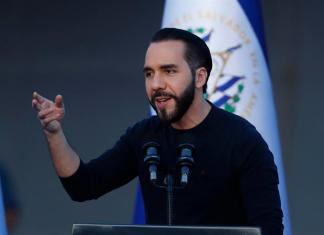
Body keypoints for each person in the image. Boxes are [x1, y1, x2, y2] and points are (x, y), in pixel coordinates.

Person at [32, 28, 283, 235]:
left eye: (169, 71)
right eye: (149, 74)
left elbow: (268, 229)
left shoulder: (243, 140)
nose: (156, 84)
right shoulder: (144, 136)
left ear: (200, 77)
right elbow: (83, 186)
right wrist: (54, 134)